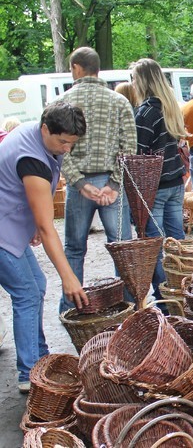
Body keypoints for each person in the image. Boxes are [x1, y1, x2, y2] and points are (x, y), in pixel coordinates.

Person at [0, 102, 89, 392]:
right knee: (26, 292)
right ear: (45, 129)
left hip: (10, 224)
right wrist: (69, 277)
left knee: (36, 284)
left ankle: (38, 356)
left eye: (71, 143)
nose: (66, 149)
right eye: (62, 141)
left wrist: (31, 224)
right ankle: (28, 373)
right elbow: (49, 228)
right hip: (3, 231)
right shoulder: (33, 160)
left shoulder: (36, 134)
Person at [57, 47, 136, 314]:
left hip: (80, 186)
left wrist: (79, 183)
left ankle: (70, 309)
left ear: (77, 68)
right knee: (122, 249)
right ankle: (128, 307)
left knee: (74, 249)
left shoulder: (62, 103)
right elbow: (130, 148)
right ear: (97, 69)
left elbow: (58, 152)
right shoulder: (119, 102)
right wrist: (113, 185)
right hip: (111, 185)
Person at [130, 58, 187, 303]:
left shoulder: (146, 112)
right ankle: (184, 290)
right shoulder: (170, 107)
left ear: (142, 81)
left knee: (157, 247)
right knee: (177, 242)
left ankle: (166, 298)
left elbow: (139, 153)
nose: (131, 83)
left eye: (133, 78)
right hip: (175, 182)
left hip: (156, 188)